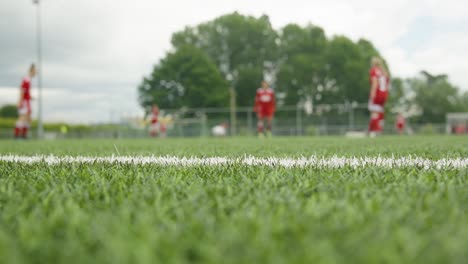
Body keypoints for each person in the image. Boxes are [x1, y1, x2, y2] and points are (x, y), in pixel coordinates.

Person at [368, 57, 390, 137]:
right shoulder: (384, 72)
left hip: (377, 93)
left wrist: (372, 94)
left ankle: (373, 132)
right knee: (380, 113)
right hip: (384, 94)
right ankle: (380, 131)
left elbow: (375, 83)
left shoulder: (374, 70)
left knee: (374, 112)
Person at [14, 64, 36, 139]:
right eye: (35, 71)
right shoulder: (26, 79)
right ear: (32, 70)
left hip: (27, 101)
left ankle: (24, 135)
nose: (36, 73)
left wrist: (30, 97)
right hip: (24, 102)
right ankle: (17, 135)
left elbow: (26, 92)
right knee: (22, 118)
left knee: (28, 119)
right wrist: (20, 101)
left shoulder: (29, 79)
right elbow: (22, 90)